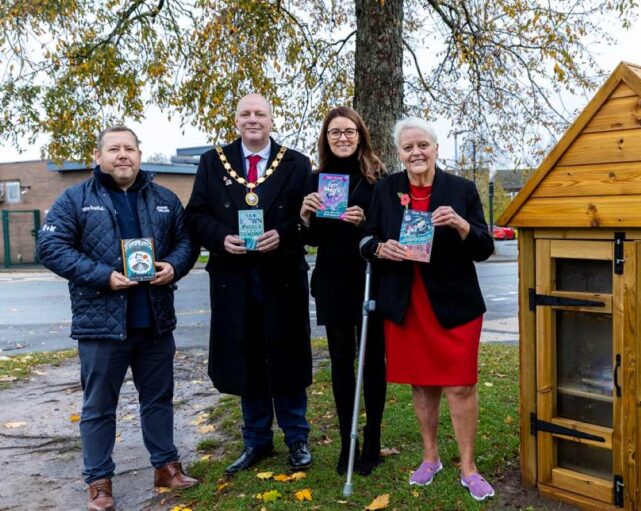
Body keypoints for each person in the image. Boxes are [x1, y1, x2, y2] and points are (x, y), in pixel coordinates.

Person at [37, 126, 199, 511]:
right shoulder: (75, 199)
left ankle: (166, 467)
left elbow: (187, 243)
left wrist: (173, 267)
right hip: (102, 326)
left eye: (129, 148)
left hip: (155, 322)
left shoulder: (163, 199)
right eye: (114, 149)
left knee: (158, 398)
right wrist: (102, 276)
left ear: (140, 155)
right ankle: (99, 482)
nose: (122, 155)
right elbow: (50, 246)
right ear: (99, 157)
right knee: (98, 406)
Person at [360, 117, 496, 501]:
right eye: (408, 147)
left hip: (454, 305)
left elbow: (485, 247)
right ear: (399, 153)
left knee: (460, 386)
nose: (416, 152)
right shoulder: (386, 189)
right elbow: (367, 236)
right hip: (406, 303)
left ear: (436, 148)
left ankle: (468, 467)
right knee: (421, 383)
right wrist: (378, 247)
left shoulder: (461, 189)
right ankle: (430, 457)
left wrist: (462, 226)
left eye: (423, 145)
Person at [185, 94, 313, 474]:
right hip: (234, 278)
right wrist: (221, 237)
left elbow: (310, 219)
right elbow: (196, 216)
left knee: (286, 358)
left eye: (260, 113)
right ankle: (256, 441)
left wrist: (286, 234)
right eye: (246, 114)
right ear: (236, 121)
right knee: (247, 357)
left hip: (282, 277)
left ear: (272, 120)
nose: (253, 119)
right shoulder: (213, 161)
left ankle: (297, 439)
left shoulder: (297, 163)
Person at [300, 107, 387, 476]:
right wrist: (305, 217)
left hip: (370, 276)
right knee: (340, 362)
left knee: (372, 361)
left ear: (360, 134)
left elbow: (388, 227)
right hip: (333, 278)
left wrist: (365, 222)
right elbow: (314, 238)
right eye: (334, 132)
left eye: (349, 131)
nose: (342, 138)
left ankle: (373, 437)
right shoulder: (316, 177)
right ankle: (346, 440)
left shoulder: (377, 178)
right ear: (326, 138)